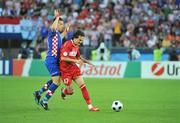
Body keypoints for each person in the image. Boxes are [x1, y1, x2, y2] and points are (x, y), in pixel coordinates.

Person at [33, 10, 70, 110]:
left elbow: (62, 35)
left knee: (56, 81)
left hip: (55, 61)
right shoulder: (52, 32)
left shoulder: (58, 35)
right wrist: (57, 17)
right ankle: (44, 101)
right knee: (57, 82)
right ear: (57, 24)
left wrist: (67, 28)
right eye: (61, 24)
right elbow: (53, 27)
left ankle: (39, 93)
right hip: (51, 60)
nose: (62, 25)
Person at [59, 30, 99, 111]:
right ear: (75, 38)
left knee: (83, 86)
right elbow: (63, 58)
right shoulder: (67, 44)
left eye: (82, 40)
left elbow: (79, 57)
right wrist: (76, 61)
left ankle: (90, 107)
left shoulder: (76, 45)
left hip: (74, 68)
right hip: (65, 71)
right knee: (70, 92)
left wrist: (89, 63)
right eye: (80, 40)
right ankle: (63, 91)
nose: (81, 42)